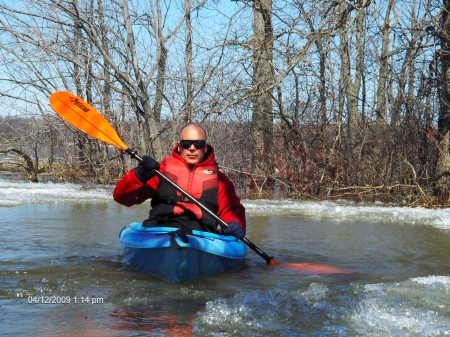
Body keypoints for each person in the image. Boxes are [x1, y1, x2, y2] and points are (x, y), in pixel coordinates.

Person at [113, 124, 246, 239]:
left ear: (205, 147)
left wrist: (235, 223)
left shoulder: (221, 181)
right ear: (179, 146)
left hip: (201, 235)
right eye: (186, 144)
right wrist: (139, 175)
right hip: (159, 229)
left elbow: (232, 209)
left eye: (198, 144)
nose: (192, 148)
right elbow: (122, 198)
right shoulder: (161, 171)